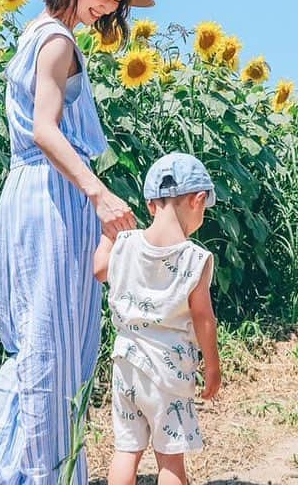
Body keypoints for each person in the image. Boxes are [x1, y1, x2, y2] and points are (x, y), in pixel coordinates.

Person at [0, 0, 155, 485]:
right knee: (58, 345)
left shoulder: (32, 34)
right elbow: (46, 129)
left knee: (33, 341)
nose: (109, 5)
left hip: (27, 191)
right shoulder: (60, 41)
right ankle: (46, 475)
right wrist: (99, 192)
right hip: (56, 195)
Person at [93, 153, 222, 485]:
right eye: (205, 209)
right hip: (169, 370)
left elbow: (99, 270)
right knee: (169, 458)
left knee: (126, 450)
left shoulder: (125, 245)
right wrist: (212, 366)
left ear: (151, 205)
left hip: (126, 364)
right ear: (197, 200)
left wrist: (110, 235)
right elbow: (204, 319)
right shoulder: (196, 259)